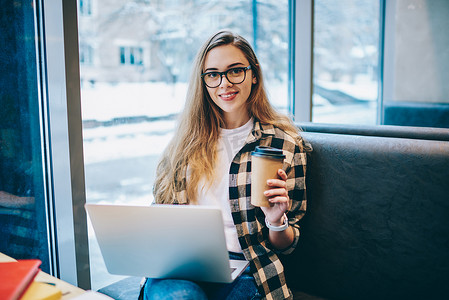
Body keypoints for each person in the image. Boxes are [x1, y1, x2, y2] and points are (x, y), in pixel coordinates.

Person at [142, 30, 309, 300]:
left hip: (247, 267)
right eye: (213, 74)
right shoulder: (185, 142)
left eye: (235, 71)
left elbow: (289, 244)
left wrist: (276, 221)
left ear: (253, 75)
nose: (224, 83)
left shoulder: (284, 144)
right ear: (203, 82)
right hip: (181, 266)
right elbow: (159, 212)